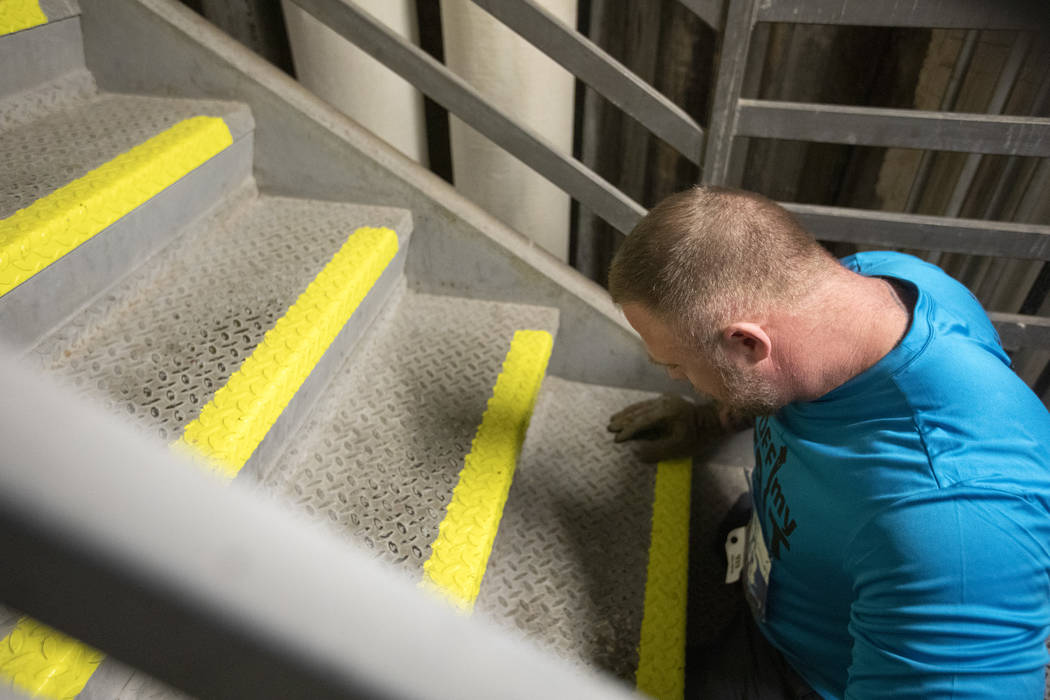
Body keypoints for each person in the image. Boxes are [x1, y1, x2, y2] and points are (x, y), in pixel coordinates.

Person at [605, 185, 1050, 699]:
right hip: (792, 551)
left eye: (677, 365)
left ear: (747, 342)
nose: (678, 378)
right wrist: (711, 421)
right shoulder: (874, 283)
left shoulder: (950, 528)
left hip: (808, 671)